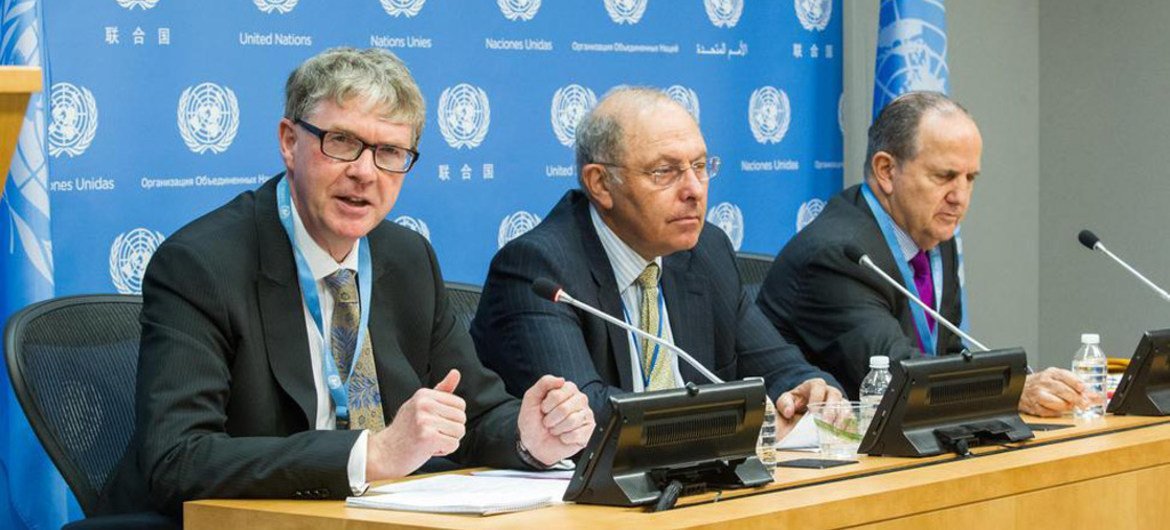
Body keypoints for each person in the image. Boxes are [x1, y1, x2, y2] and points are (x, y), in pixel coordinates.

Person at [98, 47, 594, 519]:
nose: (364, 173)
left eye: (390, 152)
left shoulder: (407, 258)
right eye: (342, 143)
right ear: (290, 142)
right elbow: (179, 459)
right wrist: (369, 455)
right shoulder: (202, 265)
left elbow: (477, 415)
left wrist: (531, 437)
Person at [471, 87, 843, 429]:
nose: (694, 190)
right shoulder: (538, 268)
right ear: (600, 183)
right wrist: (744, 423)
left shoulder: (705, 251)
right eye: (664, 172)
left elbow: (778, 364)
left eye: (700, 167)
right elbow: (587, 417)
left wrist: (808, 388)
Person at [756, 91, 1089, 416]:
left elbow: (949, 353)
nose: (960, 196)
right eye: (944, 176)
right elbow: (896, 375)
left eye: (970, 178)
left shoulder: (933, 235)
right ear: (886, 170)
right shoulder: (839, 255)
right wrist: (1010, 389)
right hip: (828, 453)